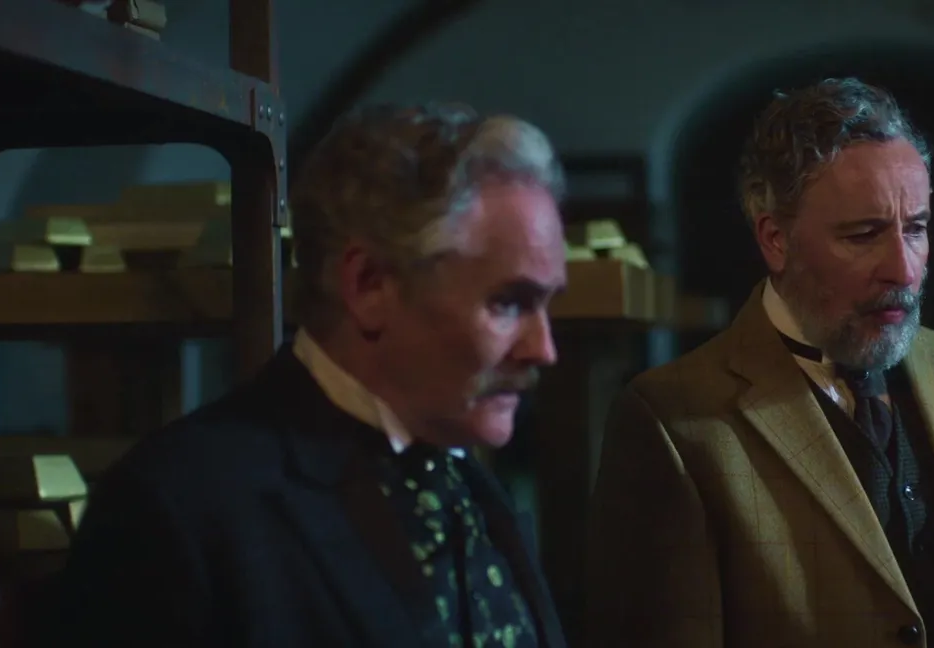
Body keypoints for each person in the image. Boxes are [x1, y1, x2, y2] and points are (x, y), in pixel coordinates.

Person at [583, 78, 934, 648]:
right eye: (864, 234)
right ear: (775, 239)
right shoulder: (675, 422)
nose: (903, 269)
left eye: (916, 229)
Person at [49, 103, 569, 647]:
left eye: (547, 304)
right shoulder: (175, 508)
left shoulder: (476, 488)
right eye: (509, 302)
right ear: (369, 285)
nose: (545, 350)